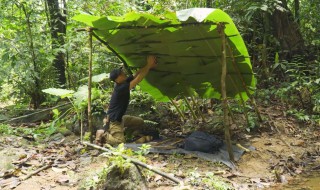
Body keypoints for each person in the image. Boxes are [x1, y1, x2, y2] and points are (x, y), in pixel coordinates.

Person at [95, 55, 157, 146]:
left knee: (139, 122)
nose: (123, 73)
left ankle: (126, 134)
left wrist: (149, 66)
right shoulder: (121, 88)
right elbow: (138, 79)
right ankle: (103, 135)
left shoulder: (123, 82)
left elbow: (136, 74)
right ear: (117, 79)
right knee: (120, 143)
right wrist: (148, 65)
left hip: (121, 119)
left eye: (121, 71)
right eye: (120, 73)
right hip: (114, 121)